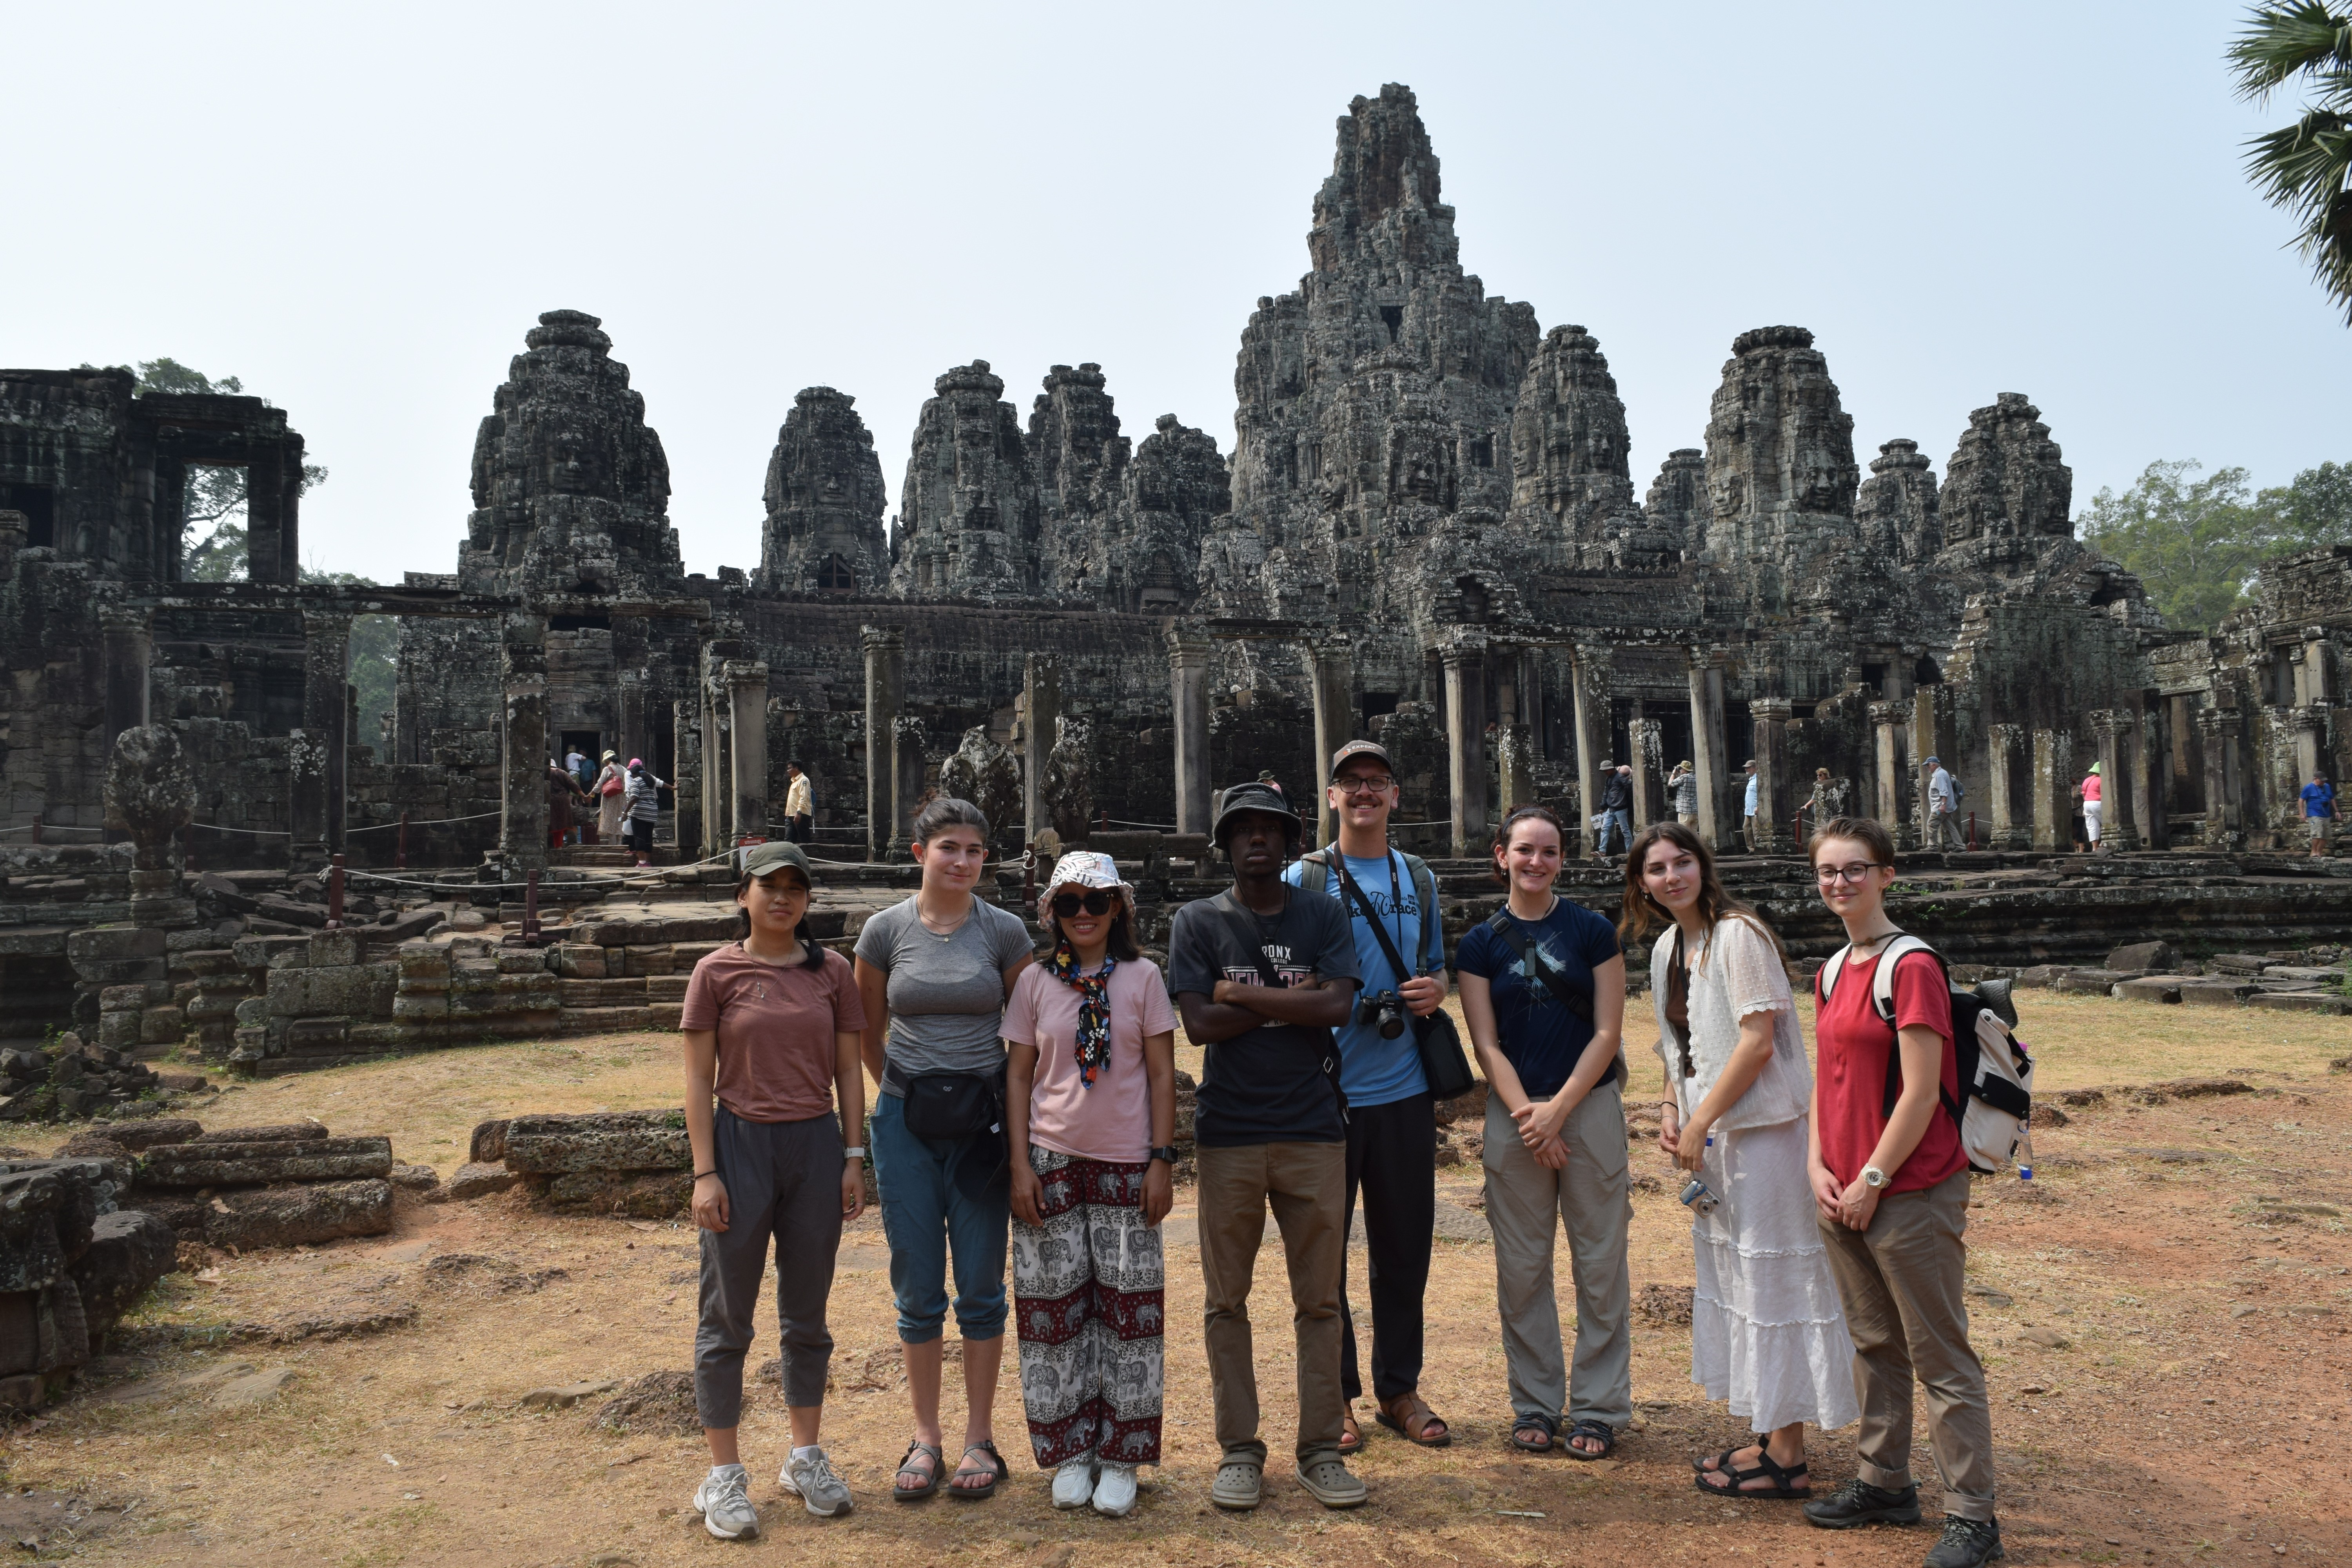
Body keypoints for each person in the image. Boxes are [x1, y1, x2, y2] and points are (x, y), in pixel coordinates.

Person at [1622, 822, 1859, 1501]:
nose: (1673, 877)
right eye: (1657, 868)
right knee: (1739, 1283)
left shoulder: (1739, 935)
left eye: (1683, 862)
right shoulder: (1668, 946)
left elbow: (1758, 1041)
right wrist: (1672, 1112)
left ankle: (1788, 1454)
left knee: (1775, 1285)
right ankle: (1771, 1429)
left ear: (1704, 866)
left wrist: (1699, 1120)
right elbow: (1678, 1049)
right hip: (1717, 1145)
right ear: (1643, 883)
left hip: (1767, 1139)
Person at [1802, 816, 2000, 1568]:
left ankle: (1974, 1517)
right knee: (1875, 1343)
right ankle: (1884, 1480)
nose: (1841, 883)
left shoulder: (1909, 965)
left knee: (1940, 1352)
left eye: (1856, 870)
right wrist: (1820, 1168)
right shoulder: (1831, 969)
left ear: (1887, 875)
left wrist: (1872, 1180)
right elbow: (1827, 1081)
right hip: (1841, 1189)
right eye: (1828, 872)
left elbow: (1920, 1094)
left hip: (1909, 1188)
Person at [1167, 780, 1365, 1513]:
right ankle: (1240, 1450)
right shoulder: (1197, 920)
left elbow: (1339, 1007)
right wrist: (1293, 998)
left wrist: (1238, 994)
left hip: (1315, 1129)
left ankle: (1320, 1447)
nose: (1257, 840)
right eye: (1243, 830)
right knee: (1227, 1302)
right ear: (1226, 844)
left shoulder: (1322, 912)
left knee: (1320, 1300)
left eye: (1271, 830)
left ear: (1289, 842)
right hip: (1230, 1134)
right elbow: (1197, 1028)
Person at [682, 842, 869, 1537]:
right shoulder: (716, 972)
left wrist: (854, 1156)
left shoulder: (833, 972)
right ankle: (724, 1474)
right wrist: (706, 1172)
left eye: (796, 889)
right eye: (770, 888)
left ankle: (804, 1455)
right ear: (744, 896)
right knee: (727, 1311)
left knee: (806, 1311)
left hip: (815, 1145)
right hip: (740, 1145)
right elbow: (698, 1080)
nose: (782, 899)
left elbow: (850, 1071)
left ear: (808, 902)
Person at [854, 797, 1035, 1504]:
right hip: (905, 1119)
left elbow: (1027, 1033)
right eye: (948, 848)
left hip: (983, 1125)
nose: (962, 861)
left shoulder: (1006, 932)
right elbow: (868, 1030)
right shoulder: (884, 931)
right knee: (917, 1283)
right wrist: (903, 1097)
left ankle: (980, 1436)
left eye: (974, 850)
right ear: (919, 852)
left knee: (984, 1284)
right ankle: (925, 1435)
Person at [1286, 740, 1452, 1454]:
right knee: (1326, 1254)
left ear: (1393, 796)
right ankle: (1338, 1395)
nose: (1364, 793)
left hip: (1404, 1089)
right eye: (1350, 782)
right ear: (1330, 797)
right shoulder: (1303, 877)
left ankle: (1398, 1388)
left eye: (1376, 782)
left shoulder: (1417, 876)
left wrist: (1433, 989)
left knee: (1404, 1247)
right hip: (1327, 1091)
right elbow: (1282, 969)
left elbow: (1437, 964)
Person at [1003, 851, 1178, 1519]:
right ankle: (1070, 1447)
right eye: (1070, 902)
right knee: (1054, 1317)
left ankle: (1124, 1454)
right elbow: (1018, 1077)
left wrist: (1162, 1158)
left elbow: (1162, 1075)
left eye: (1095, 902)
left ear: (1118, 910)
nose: (1083, 914)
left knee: (1130, 1318)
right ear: (1051, 912)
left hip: (1129, 1165)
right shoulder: (1035, 984)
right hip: (1051, 1162)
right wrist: (1020, 1165)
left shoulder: (1143, 979)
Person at [1455, 804, 1632, 1461]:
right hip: (1514, 1112)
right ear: (1501, 854)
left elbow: (1609, 1032)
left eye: (1550, 852)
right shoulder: (1479, 942)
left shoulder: (1591, 931)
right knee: (1522, 1268)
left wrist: (1558, 1109)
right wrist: (1533, 1120)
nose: (1537, 863)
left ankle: (1598, 1406)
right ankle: (1534, 1402)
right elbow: (1485, 1042)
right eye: (1525, 850)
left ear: (1563, 859)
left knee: (1601, 1264)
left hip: (1586, 1106)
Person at [624, 758, 667, 867]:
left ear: (635, 774)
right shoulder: (650, 780)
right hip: (652, 812)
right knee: (648, 838)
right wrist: (674, 788)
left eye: (632, 775)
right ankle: (648, 862)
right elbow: (661, 784)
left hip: (639, 813)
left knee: (639, 838)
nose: (632, 777)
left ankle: (642, 862)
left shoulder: (636, 781)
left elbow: (634, 797)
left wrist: (625, 812)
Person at [1926, 757, 1964, 851]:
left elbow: (1944, 791)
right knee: (1950, 827)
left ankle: (1933, 846)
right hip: (1946, 807)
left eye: (1928, 765)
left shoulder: (1940, 775)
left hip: (1940, 809)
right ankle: (1961, 847)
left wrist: (1943, 805)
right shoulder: (1941, 773)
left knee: (1932, 824)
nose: (1927, 768)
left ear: (1934, 765)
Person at [546, 758, 586, 849]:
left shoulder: (546, 773)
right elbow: (573, 785)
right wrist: (584, 796)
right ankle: (559, 846)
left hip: (550, 800)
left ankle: (550, 846)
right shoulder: (562, 773)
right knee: (561, 823)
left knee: (551, 823)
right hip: (562, 800)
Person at [1597, 763, 1633, 860]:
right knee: (1605, 828)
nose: (1605, 772)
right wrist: (1603, 806)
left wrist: (1628, 801)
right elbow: (1606, 793)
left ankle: (1630, 851)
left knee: (1625, 830)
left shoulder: (1620, 777)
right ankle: (1602, 851)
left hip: (1621, 809)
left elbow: (1629, 786)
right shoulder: (1609, 779)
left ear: (1612, 769)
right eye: (1604, 771)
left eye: (1606, 770)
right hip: (1611, 809)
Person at [594, 750, 628, 844]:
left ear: (608, 760)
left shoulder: (607, 769)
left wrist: (591, 794)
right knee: (619, 823)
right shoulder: (624, 769)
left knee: (610, 824)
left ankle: (612, 847)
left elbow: (600, 784)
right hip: (622, 799)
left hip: (610, 799)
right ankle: (619, 846)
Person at [2302, 771, 2337, 857]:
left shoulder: (2327, 787)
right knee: (2317, 833)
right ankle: (2313, 852)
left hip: (2326, 814)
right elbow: (2301, 800)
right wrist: (2302, 813)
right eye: (2321, 781)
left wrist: (2337, 811)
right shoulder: (2309, 788)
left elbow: (2332, 799)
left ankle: (2319, 852)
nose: (2323, 782)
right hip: (2314, 813)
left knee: (2326, 835)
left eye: (2324, 781)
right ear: (2315, 779)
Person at [785, 763, 815, 844]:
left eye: (790, 768)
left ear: (796, 768)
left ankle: (810, 856)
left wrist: (799, 812)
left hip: (801, 814)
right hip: (791, 814)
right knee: (788, 841)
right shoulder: (794, 781)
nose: (788, 771)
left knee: (805, 839)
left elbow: (804, 797)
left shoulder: (803, 780)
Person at [2080, 762, 2104, 851]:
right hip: (2098, 803)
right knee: (2107, 823)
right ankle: (2103, 843)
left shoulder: (2087, 780)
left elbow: (2083, 794)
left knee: (2092, 826)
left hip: (2087, 804)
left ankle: (2095, 848)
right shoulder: (2102, 780)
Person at [1669, 760, 1700, 828]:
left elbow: (1670, 784)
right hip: (1695, 810)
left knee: (1684, 832)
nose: (1680, 770)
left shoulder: (1684, 777)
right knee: (1693, 833)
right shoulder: (1696, 777)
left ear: (1684, 770)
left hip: (1685, 810)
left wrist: (1674, 774)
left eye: (1681, 769)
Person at [1741, 759, 1760, 852]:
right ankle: (1752, 850)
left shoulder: (1758, 780)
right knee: (1746, 829)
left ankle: (1759, 849)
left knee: (1756, 831)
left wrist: (1759, 807)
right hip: (1748, 810)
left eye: (1748, 768)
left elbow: (1761, 795)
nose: (1747, 769)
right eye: (1746, 768)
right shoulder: (1751, 780)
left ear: (1754, 768)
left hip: (1755, 809)